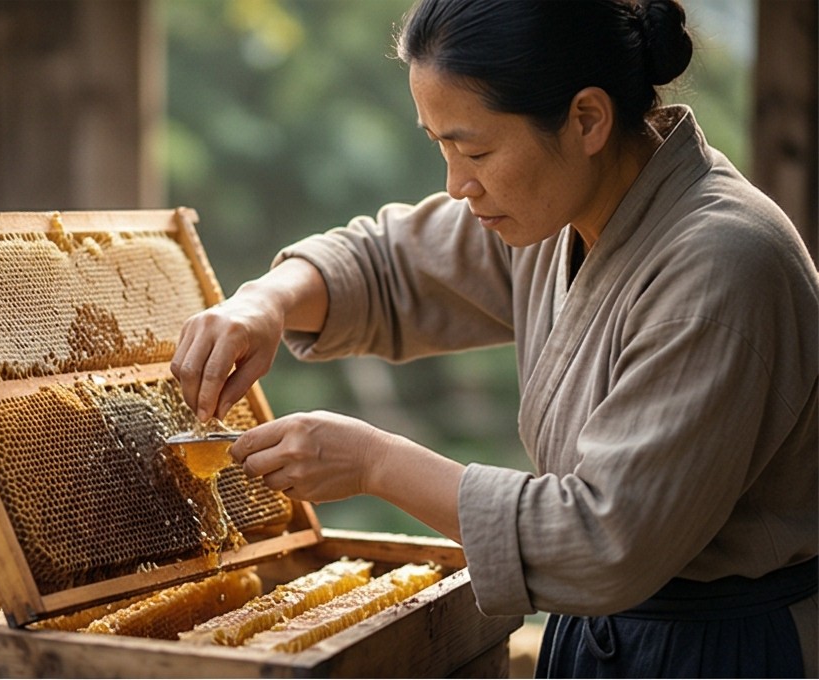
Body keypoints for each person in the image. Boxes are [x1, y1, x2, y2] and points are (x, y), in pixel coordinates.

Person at [170, 0, 818, 676]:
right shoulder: (560, 207)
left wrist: (375, 464)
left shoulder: (722, 265)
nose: (457, 185)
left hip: (721, 653)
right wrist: (264, 303)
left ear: (587, 119)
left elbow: (602, 540)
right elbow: (389, 264)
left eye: (475, 149)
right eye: (441, 146)